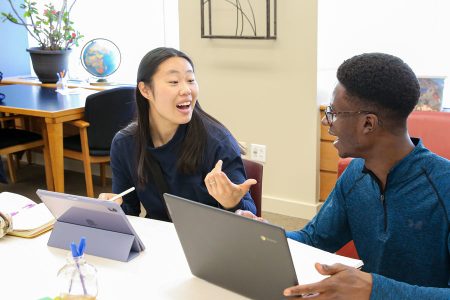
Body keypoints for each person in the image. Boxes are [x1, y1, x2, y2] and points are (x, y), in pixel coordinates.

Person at [239, 53, 450, 299]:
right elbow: (313, 239)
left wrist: (374, 289)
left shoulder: (443, 188)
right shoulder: (355, 175)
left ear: (368, 124)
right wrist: (264, 233)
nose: (327, 121)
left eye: (334, 112)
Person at [100, 47, 256, 221]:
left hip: (207, 240)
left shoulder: (216, 141)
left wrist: (231, 203)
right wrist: (114, 207)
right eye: (174, 82)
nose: (186, 90)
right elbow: (129, 210)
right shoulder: (125, 143)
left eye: (190, 80)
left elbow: (250, 213)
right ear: (145, 90)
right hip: (160, 238)